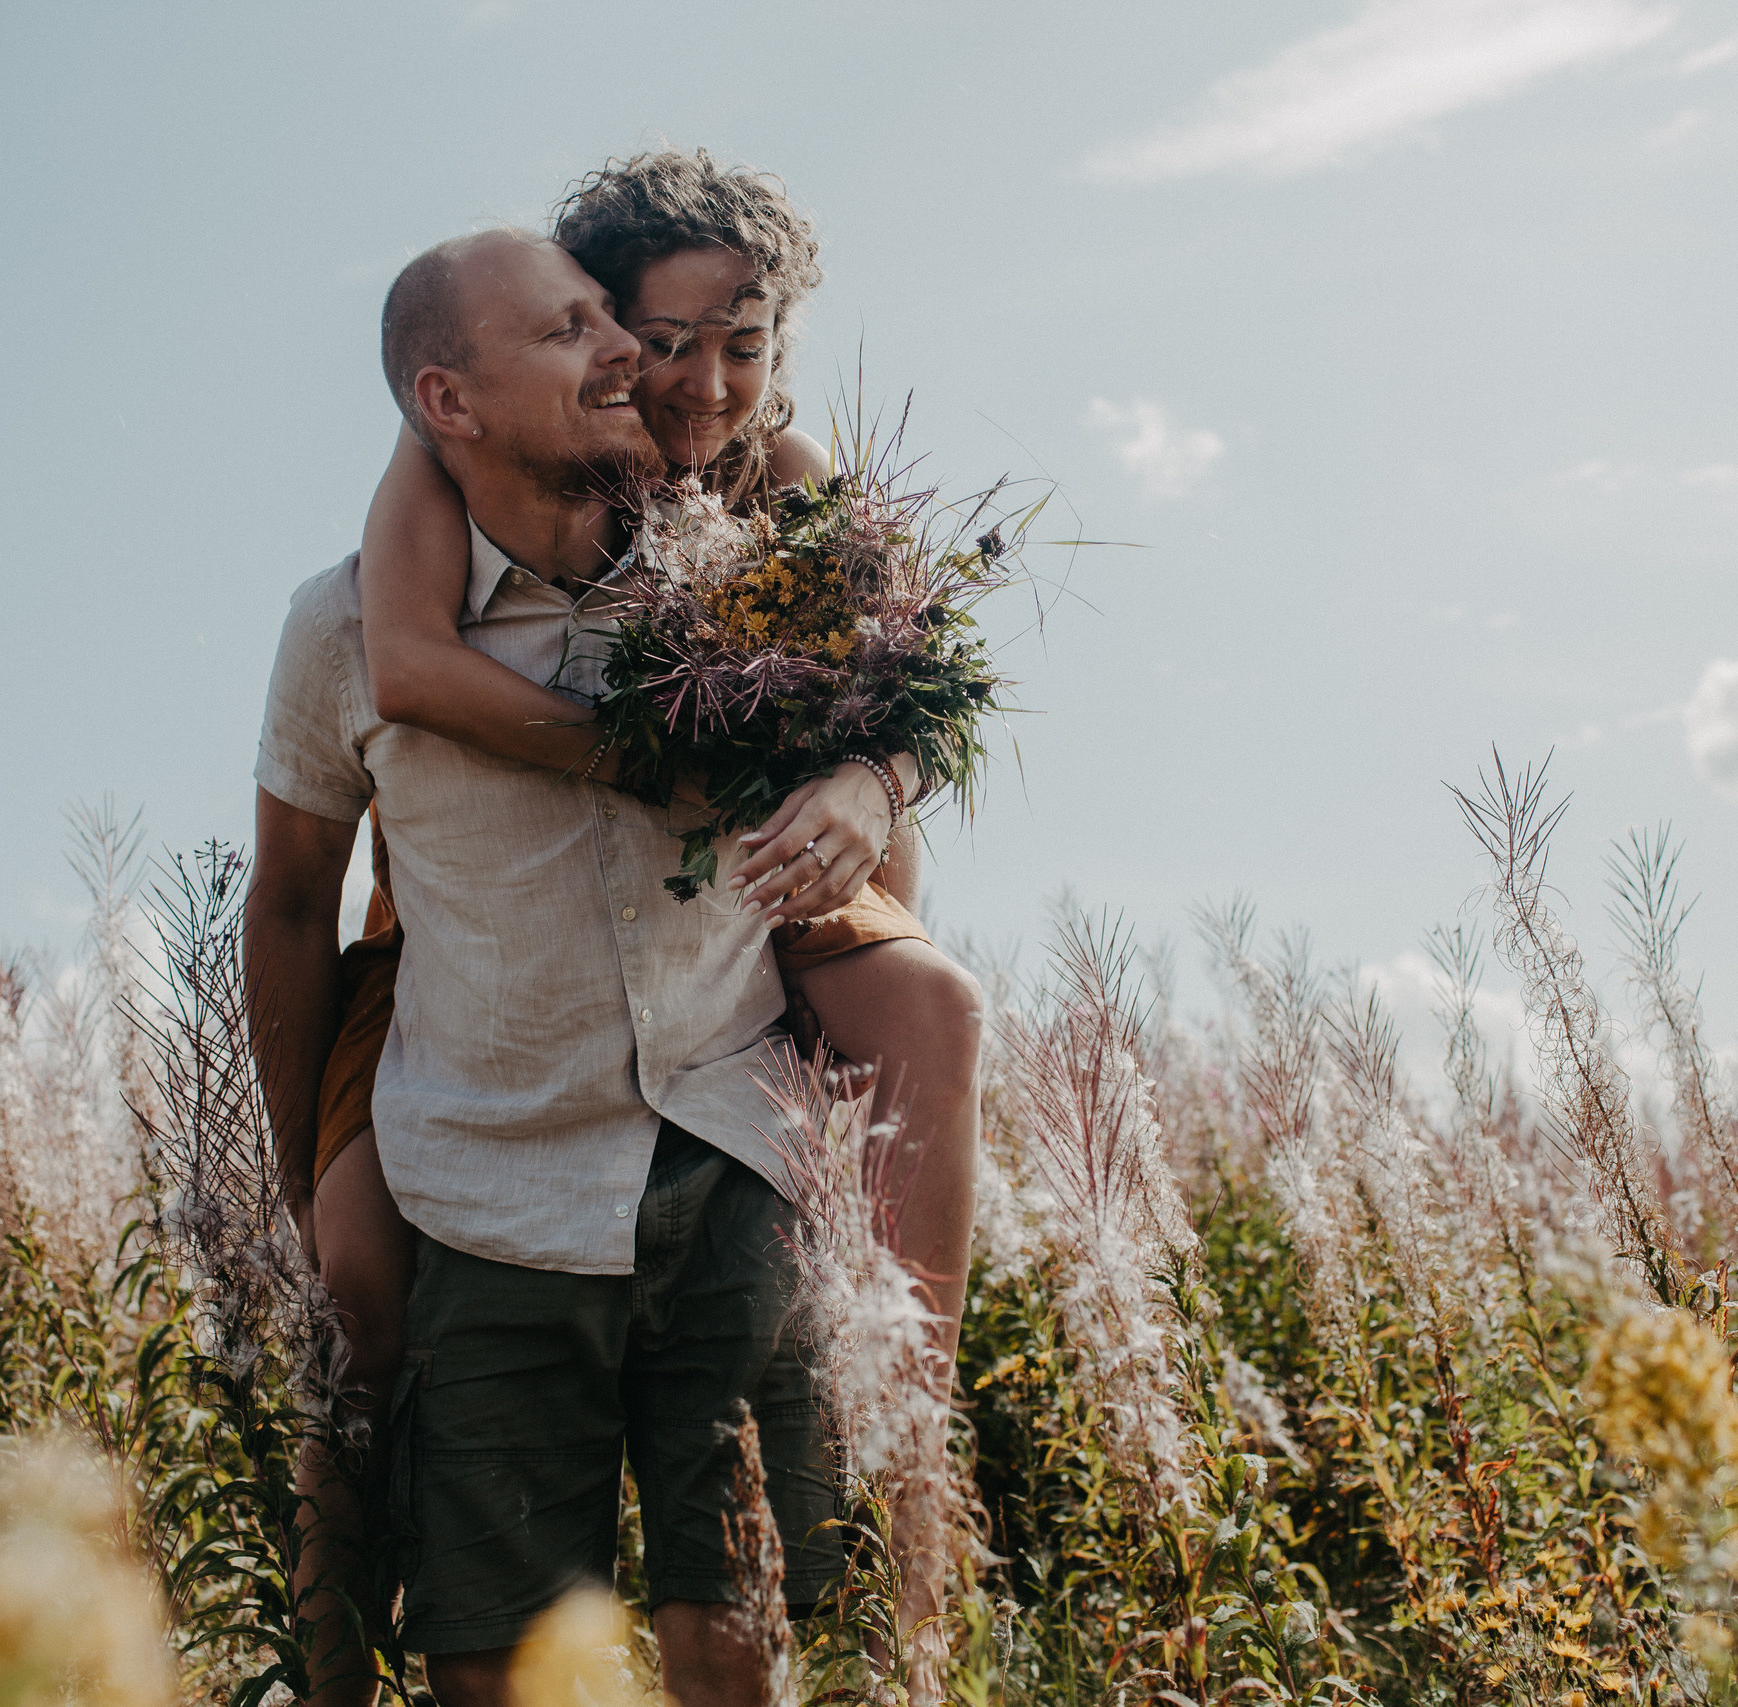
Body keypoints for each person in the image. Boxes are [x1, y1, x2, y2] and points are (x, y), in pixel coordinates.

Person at [296, 155, 983, 1701]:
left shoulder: (780, 477)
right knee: (356, 1271)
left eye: (745, 346)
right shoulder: (445, 478)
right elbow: (402, 660)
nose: (704, 383)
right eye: (667, 340)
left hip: (760, 927)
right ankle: (327, 1636)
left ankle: (907, 1424)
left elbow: (922, 686)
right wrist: (648, 759)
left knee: (928, 1009)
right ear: (600, 326)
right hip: (471, 954)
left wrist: (871, 787)